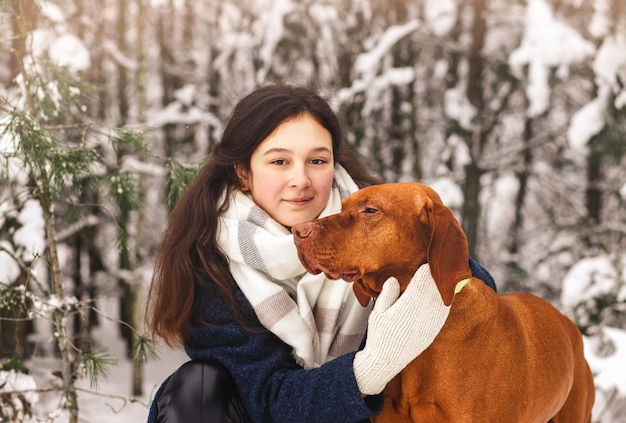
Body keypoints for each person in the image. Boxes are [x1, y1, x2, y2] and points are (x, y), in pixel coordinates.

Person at [145, 84, 496, 423]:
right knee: (197, 388)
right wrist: (368, 369)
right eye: (279, 161)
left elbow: (478, 290)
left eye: (316, 160)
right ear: (243, 174)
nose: (301, 179)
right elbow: (270, 401)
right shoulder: (213, 266)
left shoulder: (378, 222)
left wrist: (428, 255)